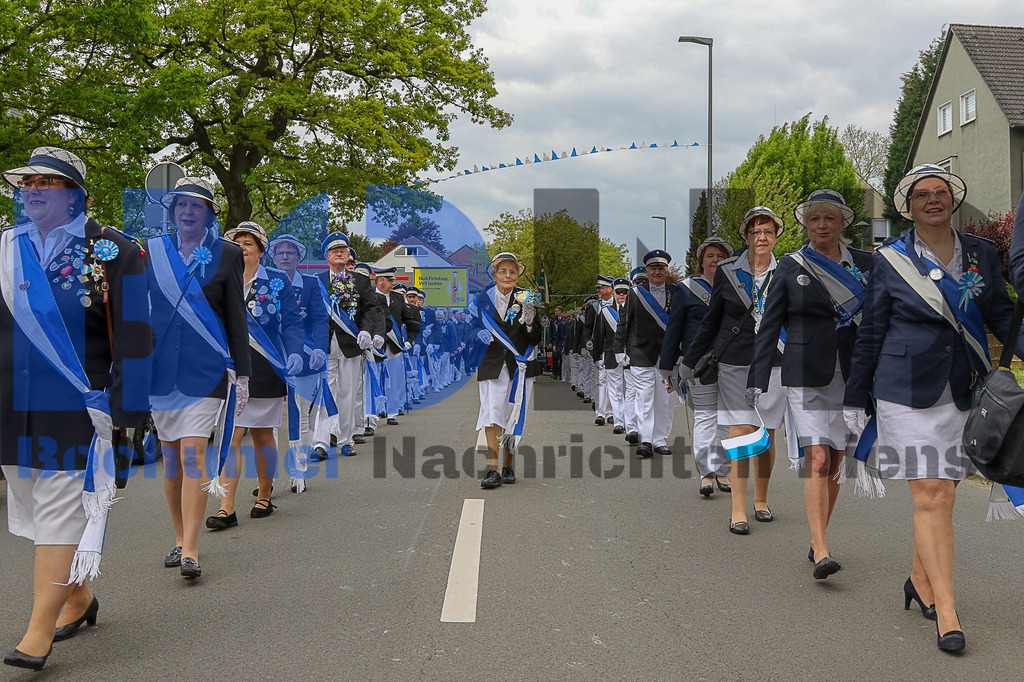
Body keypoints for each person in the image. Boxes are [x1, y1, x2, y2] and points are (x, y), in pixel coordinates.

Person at [844, 165, 1024, 651]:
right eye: (921, 195)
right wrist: (855, 399)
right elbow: (871, 331)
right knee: (933, 495)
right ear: (908, 206)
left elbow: (1003, 315)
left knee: (943, 493)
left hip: (966, 389)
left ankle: (918, 581)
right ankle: (947, 610)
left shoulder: (982, 254)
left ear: (953, 200)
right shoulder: (889, 260)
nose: (932, 200)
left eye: (940, 193)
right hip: (904, 391)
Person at [0, 148, 150, 670]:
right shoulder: (6, 249)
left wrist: (128, 416)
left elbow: (134, 336)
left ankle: (37, 632)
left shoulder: (114, 250)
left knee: (60, 513)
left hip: (80, 407)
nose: (34, 189)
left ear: (76, 196)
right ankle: (79, 596)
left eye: (48, 182)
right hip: (11, 405)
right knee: (37, 510)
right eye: (27, 182)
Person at [747, 191, 872, 579]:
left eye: (829, 219)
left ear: (843, 224)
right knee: (817, 458)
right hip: (804, 372)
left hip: (851, 372)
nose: (821, 226)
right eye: (814, 219)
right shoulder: (790, 265)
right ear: (806, 224)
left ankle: (820, 534)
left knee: (836, 459)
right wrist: (758, 376)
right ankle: (820, 548)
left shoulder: (867, 264)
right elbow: (770, 323)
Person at [148, 177, 251, 579]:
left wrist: (242, 374)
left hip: (205, 368)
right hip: (160, 372)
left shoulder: (226, 254)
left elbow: (235, 317)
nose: (188, 213)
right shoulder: (151, 252)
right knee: (171, 461)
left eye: (198, 206)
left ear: (209, 213)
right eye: (181, 206)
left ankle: (191, 547)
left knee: (192, 453)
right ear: (172, 212)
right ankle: (178, 537)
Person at [682, 207, 787, 535]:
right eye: (755, 231)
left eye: (768, 231)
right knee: (740, 433)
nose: (762, 237)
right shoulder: (728, 272)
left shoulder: (787, 272)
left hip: (775, 363)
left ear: (776, 236)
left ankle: (761, 500)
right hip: (734, 363)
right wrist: (688, 362)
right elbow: (711, 320)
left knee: (767, 435)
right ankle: (738, 508)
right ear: (745, 237)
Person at [209, 221, 303, 526]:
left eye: (248, 243)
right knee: (232, 436)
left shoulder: (276, 280)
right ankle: (227, 507)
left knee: (262, 435)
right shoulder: (222, 277)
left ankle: (264, 495)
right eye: (237, 243)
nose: (241, 248)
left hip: (266, 368)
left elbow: (291, 322)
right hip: (231, 369)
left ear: (261, 251)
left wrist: (295, 354)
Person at [660, 236, 733, 497]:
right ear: (701, 261)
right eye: (710, 256)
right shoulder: (687, 288)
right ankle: (706, 473)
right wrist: (667, 366)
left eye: (720, 256)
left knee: (726, 419)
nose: (715, 260)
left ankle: (724, 470)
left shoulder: (737, 286)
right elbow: (674, 328)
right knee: (705, 417)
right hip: (699, 363)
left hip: (732, 361)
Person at [472, 252, 542, 488]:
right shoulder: (481, 298)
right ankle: (492, 469)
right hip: (491, 362)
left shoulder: (527, 297)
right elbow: (468, 330)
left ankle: (508, 465)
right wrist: (478, 335)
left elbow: (538, 336)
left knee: (513, 413)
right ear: (494, 274)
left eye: (512, 271)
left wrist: (531, 322)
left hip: (520, 364)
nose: (508, 275)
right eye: (503, 271)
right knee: (493, 413)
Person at [266, 233, 329, 491]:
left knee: (301, 415)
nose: (285, 257)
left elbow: (319, 320)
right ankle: (266, 478)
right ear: (272, 256)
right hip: (269, 355)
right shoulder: (265, 280)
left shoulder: (311, 284)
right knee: (268, 421)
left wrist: (319, 350)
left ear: (299, 258)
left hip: (303, 357)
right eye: (280, 252)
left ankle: (299, 471)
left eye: (290, 253)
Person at [313, 233, 381, 460]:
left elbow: (371, 310)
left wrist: (366, 331)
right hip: (324, 345)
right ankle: (321, 442)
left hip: (351, 344)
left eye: (343, 250)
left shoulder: (360, 281)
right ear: (327, 257)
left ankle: (345, 440)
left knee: (348, 394)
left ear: (349, 254)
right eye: (335, 251)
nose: (340, 253)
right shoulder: (317, 281)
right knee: (325, 393)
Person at [614, 250, 675, 458]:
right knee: (644, 397)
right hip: (640, 351)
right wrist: (618, 349)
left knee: (664, 400)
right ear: (647, 271)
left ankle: (660, 439)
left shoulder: (676, 292)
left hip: (668, 354)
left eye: (661, 268)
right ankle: (646, 439)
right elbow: (624, 322)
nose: (657, 272)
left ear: (667, 271)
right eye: (653, 269)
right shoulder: (635, 293)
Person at [374, 267, 420, 425]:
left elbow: (411, 321)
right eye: (390, 280)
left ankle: (392, 411)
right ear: (380, 281)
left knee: (394, 380)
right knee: (375, 379)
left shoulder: (398, 298)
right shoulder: (369, 297)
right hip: (374, 345)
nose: (393, 283)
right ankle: (376, 411)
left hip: (394, 345)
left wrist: (410, 340)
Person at [602, 279, 631, 434]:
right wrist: (597, 357)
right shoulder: (606, 311)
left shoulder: (634, 309)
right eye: (618, 291)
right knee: (615, 391)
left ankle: (629, 422)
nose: (621, 295)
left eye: (624, 292)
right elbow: (601, 335)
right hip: (611, 356)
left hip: (630, 357)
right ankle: (619, 422)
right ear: (613, 292)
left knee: (629, 392)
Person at [585, 276, 615, 425]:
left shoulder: (619, 305)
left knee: (615, 383)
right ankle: (601, 413)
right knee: (602, 381)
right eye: (597, 288)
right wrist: (587, 343)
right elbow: (588, 327)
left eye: (601, 288)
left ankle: (611, 412)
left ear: (610, 289)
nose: (598, 291)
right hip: (602, 349)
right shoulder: (594, 307)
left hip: (617, 350)